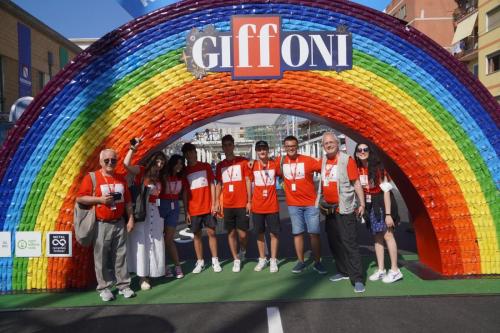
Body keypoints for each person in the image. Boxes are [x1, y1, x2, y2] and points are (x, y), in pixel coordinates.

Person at [76, 148, 135, 301]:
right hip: (101, 223)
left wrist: (130, 219)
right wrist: (100, 200)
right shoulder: (92, 177)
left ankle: (123, 285)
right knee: (100, 257)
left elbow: (128, 201)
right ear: (101, 161)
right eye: (107, 160)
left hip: (119, 223)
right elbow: (80, 198)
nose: (110, 163)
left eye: (113, 160)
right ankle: (104, 287)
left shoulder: (121, 178)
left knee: (120, 255)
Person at [320, 132, 366, 293]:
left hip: (344, 208)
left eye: (331, 142)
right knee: (334, 242)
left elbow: (357, 183)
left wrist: (362, 203)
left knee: (349, 243)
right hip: (329, 209)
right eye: (326, 143)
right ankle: (343, 271)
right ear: (323, 146)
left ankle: (358, 278)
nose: (329, 145)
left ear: (337, 143)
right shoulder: (324, 160)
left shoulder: (347, 160)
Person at [354, 142, 403, 283]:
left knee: (388, 235)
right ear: (356, 153)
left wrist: (388, 215)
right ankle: (381, 269)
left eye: (365, 149)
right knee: (377, 237)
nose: (362, 151)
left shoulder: (378, 167)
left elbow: (387, 192)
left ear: (370, 151)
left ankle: (395, 270)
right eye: (359, 150)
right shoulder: (358, 168)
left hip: (382, 203)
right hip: (370, 205)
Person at [278, 135, 326, 274]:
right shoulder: (281, 161)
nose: (291, 148)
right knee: (297, 233)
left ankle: (317, 262)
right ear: (284, 147)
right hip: (293, 205)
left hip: (311, 204)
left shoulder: (308, 160)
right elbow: (264, 165)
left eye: (293, 146)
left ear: (297, 146)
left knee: (314, 234)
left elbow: (324, 166)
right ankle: (301, 262)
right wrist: (251, 163)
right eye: (288, 146)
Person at [124, 141, 167, 290]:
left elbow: (160, 196)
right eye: (158, 161)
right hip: (142, 212)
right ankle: (142, 276)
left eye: (162, 162)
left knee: (154, 242)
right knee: (141, 242)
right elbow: (126, 164)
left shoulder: (160, 177)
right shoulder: (141, 171)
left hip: (155, 212)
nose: (160, 164)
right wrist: (132, 149)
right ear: (152, 161)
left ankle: (153, 271)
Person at [182, 142, 222, 273]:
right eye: (187, 153)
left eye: (191, 152)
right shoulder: (184, 171)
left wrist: (214, 203)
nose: (190, 155)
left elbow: (212, 184)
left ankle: (215, 260)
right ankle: (200, 262)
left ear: (195, 152)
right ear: (185, 156)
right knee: (197, 236)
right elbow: (185, 192)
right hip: (193, 209)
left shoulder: (205, 167)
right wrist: (186, 210)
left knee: (212, 233)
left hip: (208, 207)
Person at [215, 135, 251, 273]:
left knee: (242, 234)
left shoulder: (243, 162)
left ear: (233, 146)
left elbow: (248, 180)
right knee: (230, 233)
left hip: (241, 203)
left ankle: (242, 249)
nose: (228, 147)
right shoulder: (220, 166)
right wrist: (217, 201)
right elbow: (218, 184)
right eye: (225, 145)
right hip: (228, 205)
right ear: (223, 147)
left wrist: (249, 201)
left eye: (230, 144)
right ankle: (236, 258)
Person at [250, 141, 280, 273]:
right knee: (259, 234)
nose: (262, 151)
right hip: (257, 206)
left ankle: (273, 259)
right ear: (256, 151)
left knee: (274, 233)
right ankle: (262, 258)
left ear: (268, 150)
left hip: (272, 206)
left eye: (264, 149)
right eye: (260, 149)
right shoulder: (251, 165)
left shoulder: (274, 164)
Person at [159, 154, 185, 279]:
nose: (179, 166)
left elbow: (184, 193)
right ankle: (164, 266)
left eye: (181, 163)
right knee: (160, 239)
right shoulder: (163, 175)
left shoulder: (181, 177)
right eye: (177, 163)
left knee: (169, 239)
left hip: (174, 207)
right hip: (160, 206)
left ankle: (177, 266)